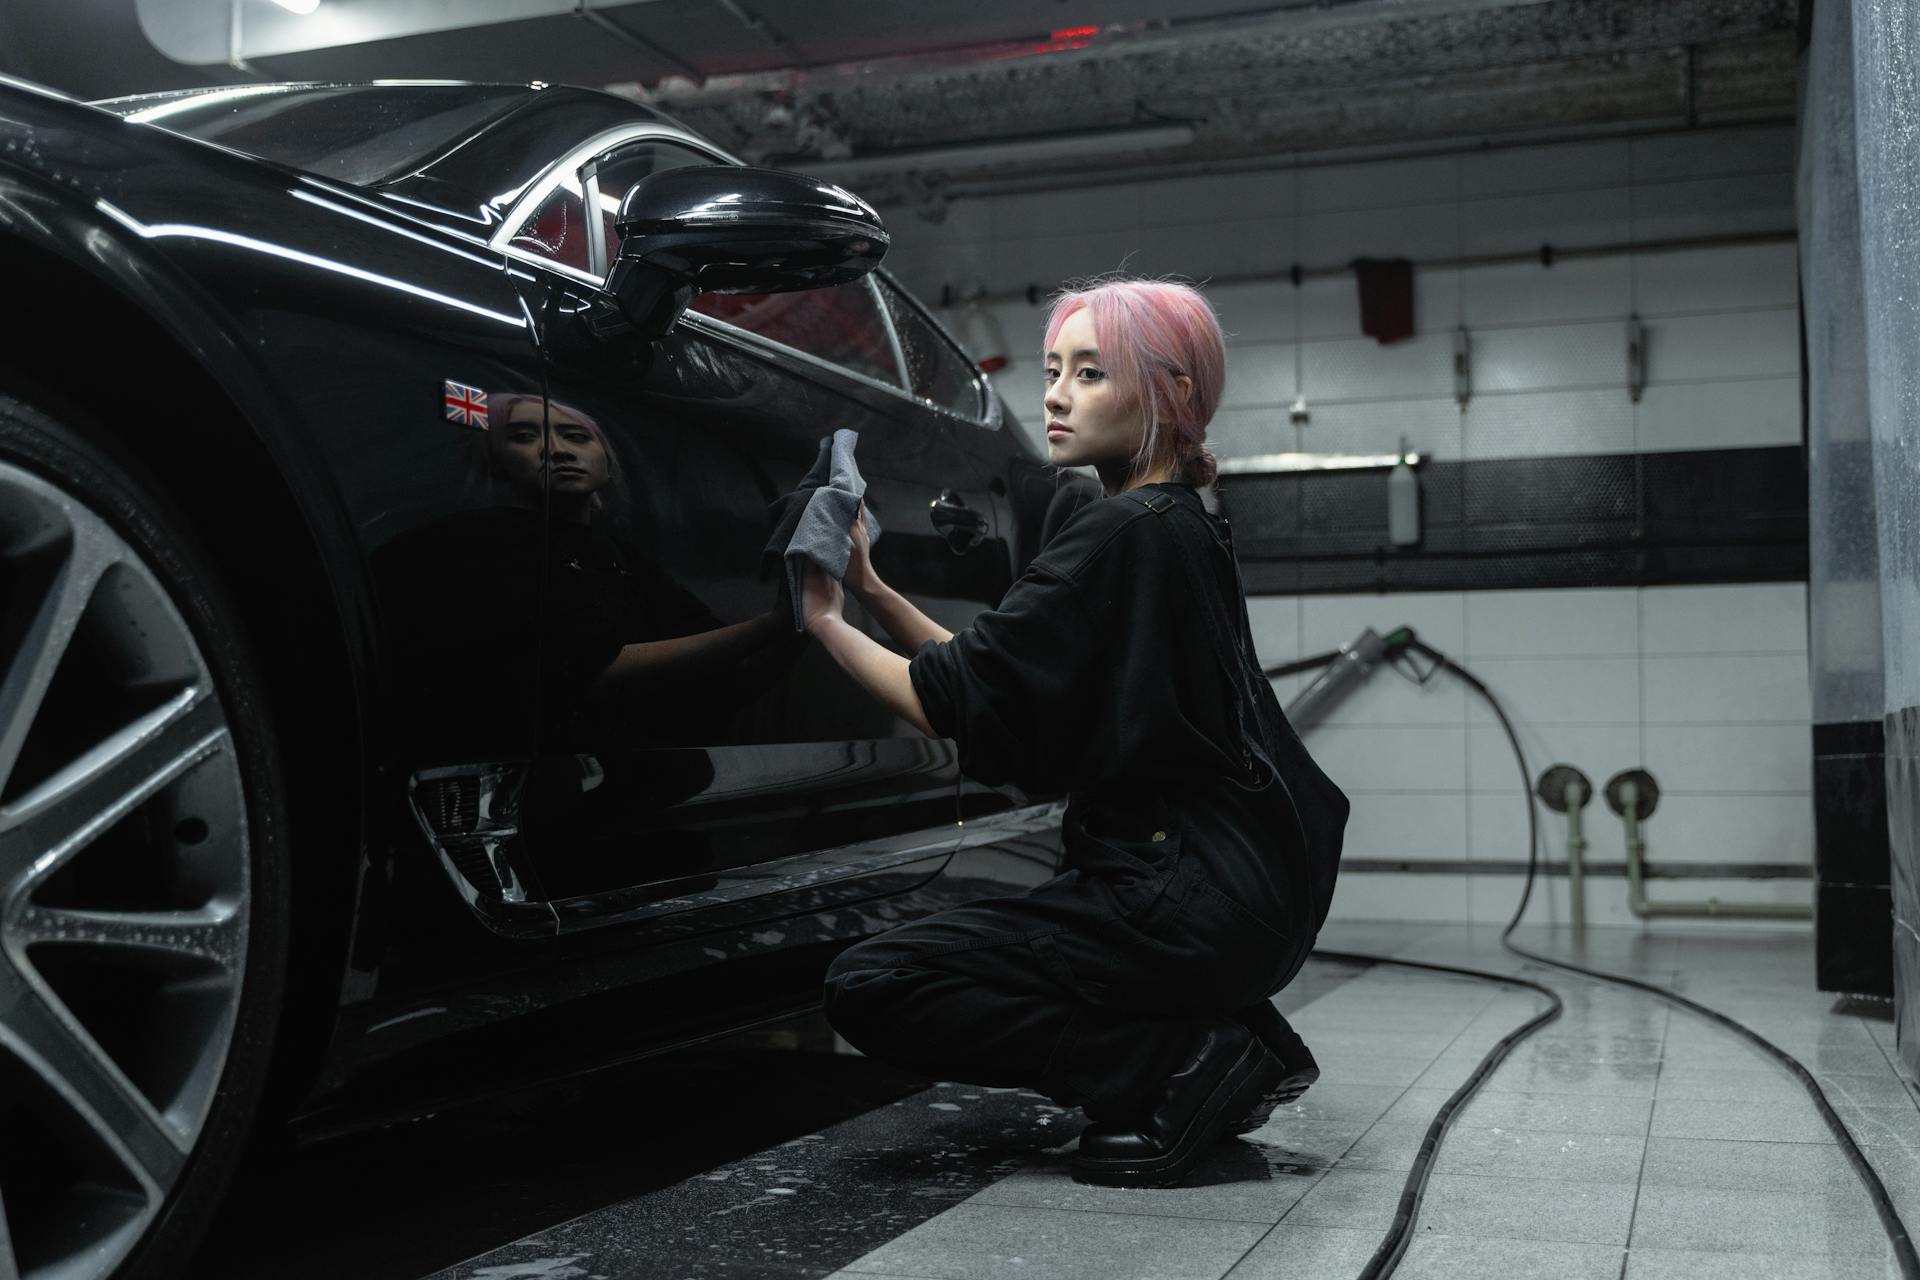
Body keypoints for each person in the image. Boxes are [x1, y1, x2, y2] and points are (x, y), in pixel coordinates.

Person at [797, 275, 1350, 1188]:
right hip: (1247, 901)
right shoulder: (1181, 526)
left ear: (1169, 396)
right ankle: (1240, 1043)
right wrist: (875, 591)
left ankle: (1172, 1067)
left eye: (1090, 374)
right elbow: (1003, 684)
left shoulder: (1116, 532)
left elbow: (950, 700)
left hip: (1178, 901)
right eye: (1054, 370)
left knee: (877, 983)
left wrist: (820, 617)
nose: (1054, 394)